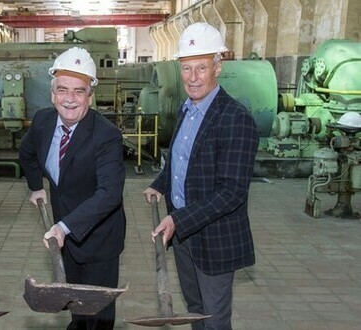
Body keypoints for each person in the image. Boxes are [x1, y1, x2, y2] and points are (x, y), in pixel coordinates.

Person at [143, 22, 259, 330]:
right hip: (183, 235)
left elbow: (232, 191)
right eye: (186, 68)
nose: (192, 78)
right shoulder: (186, 109)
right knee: (194, 310)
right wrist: (160, 183)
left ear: (218, 67)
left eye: (201, 68)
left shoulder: (235, 119)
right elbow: (180, 161)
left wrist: (179, 220)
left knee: (214, 319)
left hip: (215, 238)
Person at [19, 47, 126, 329]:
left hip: (99, 238)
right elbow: (27, 153)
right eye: (63, 90)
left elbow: (109, 194)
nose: (70, 99)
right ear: (52, 94)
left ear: (90, 96)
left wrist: (64, 227)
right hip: (65, 235)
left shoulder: (106, 136)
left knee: (98, 315)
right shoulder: (43, 121)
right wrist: (36, 187)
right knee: (76, 310)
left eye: (79, 91)